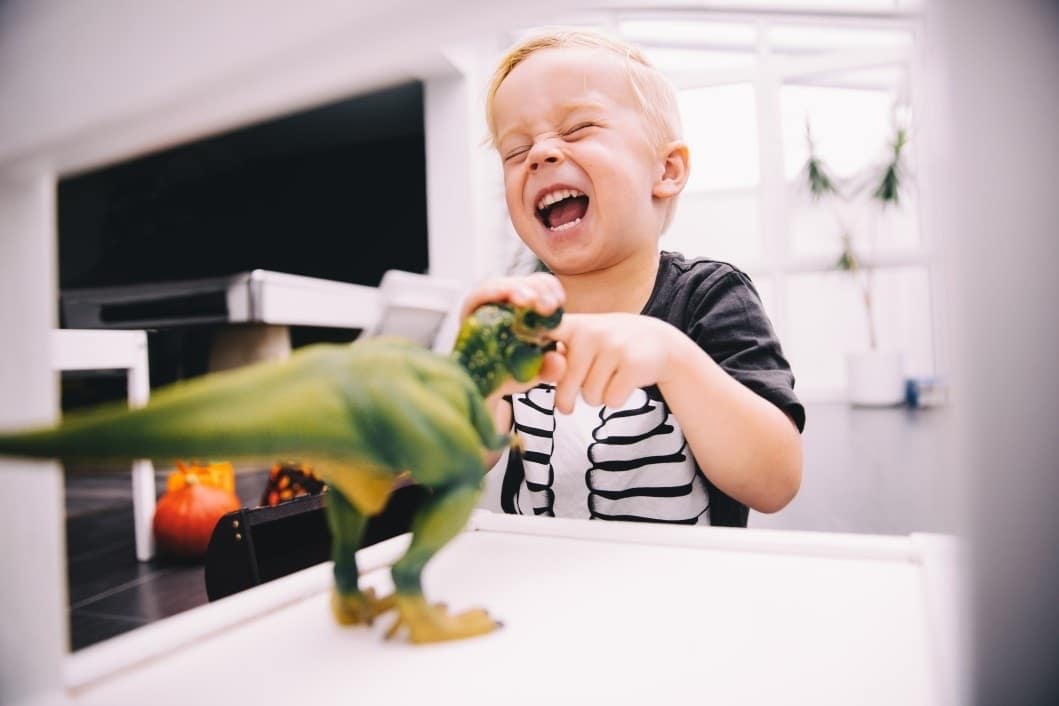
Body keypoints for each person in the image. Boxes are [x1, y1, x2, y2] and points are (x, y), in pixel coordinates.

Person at [462, 29, 804, 527]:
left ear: (666, 169)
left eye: (577, 128)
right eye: (515, 151)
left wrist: (673, 357)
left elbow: (776, 480)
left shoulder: (710, 297)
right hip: (541, 584)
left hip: (681, 590)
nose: (539, 154)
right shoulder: (517, 315)